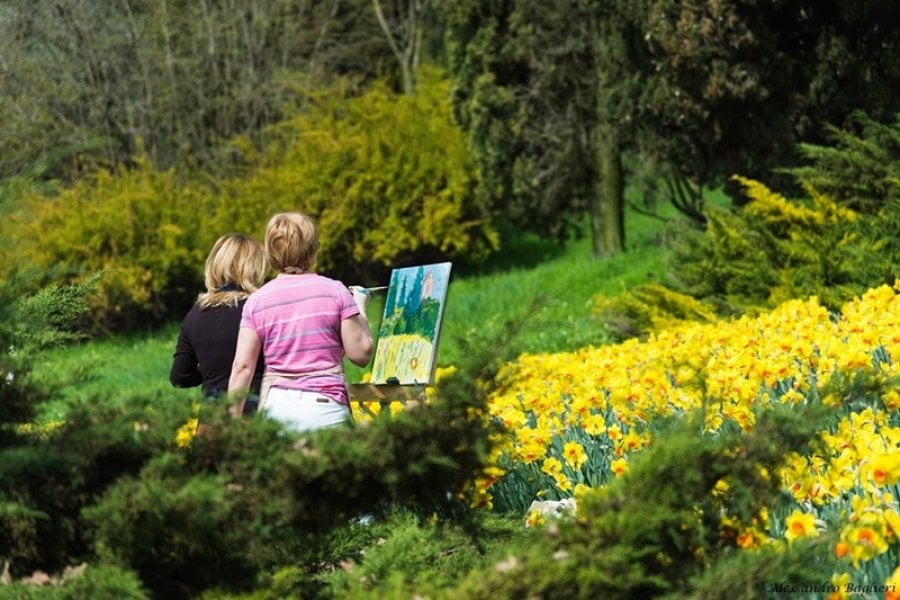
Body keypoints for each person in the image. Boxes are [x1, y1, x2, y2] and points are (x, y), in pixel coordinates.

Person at [227, 212, 374, 432]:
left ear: (270, 252)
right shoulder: (335, 291)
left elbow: (242, 367)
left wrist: (231, 422)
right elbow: (360, 354)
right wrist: (360, 307)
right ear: (313, 250)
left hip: (276, 410)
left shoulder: (257, 301)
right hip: (326, 410)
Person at [169, 233, 268, 408]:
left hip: (212, 415)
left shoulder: (196, 313)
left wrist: (211, 373)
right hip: (253, 410)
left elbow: (179, 377)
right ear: (255, 268)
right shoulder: (259, 307)